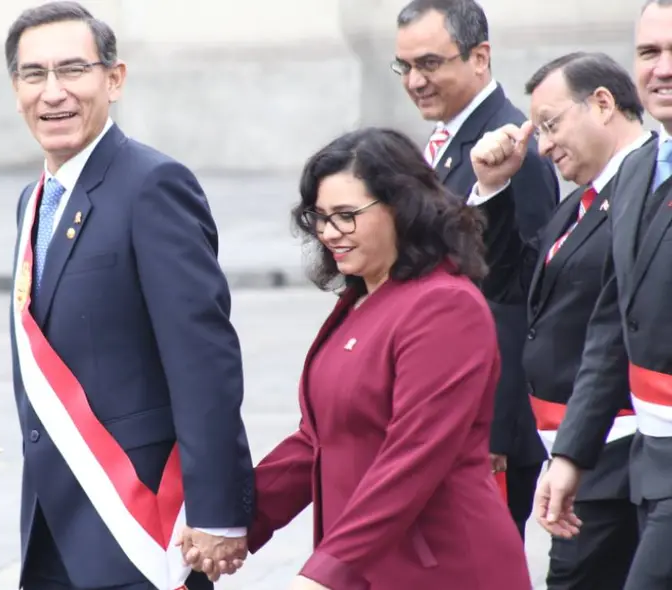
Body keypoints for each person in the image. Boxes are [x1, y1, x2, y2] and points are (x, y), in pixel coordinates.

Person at [184, 127, 532, 590]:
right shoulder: (362, 300)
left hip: (442, 568)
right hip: (362, 566)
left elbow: (413, 456)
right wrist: (233, 521)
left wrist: (324, 573)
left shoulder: (446, 306)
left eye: (346, 216)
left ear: (402, 208)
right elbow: (316, 440)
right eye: (320, 217)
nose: (329, 233)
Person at [4, 2, 254, 589]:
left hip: (140, 522)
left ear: (113, 80)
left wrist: (218, 511)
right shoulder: (34, 200)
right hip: (53, 520)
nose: (53, 92)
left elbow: (203, 359)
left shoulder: (152, 185)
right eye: (33, 75)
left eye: (73, 71)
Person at [472, 51, 651, 590]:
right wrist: (494, 191)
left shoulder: (643, 189)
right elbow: (515, 286)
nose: (543, 146)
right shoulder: (581, 202)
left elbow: (619, 330)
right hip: (574, 448)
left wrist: (575, 450)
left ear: (601, 104)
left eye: (551, 125)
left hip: (614, 448)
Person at [392, 0, 559, 538]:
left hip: (487, 422)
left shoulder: (512, 145)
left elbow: (522, 294)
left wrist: (498, 430)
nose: (415, 81)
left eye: (431, 64)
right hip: (446, 399)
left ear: (480, 57)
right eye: (406, 67)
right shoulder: (446, 139)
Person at [536, 2, 672, 588]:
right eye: (649, 53)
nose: (661, 69)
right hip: (648, 466)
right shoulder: (640, 172)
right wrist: (571, 456)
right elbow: (613, 328)